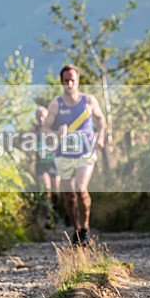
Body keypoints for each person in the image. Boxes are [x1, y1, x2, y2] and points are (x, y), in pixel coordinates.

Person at [43, 65, 106, 246]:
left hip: (85, 152)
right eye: (66, 81)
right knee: (69, 195)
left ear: (78, 81)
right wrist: (56, 134)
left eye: (73, 80)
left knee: (80, 187)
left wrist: (100, 137)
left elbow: (101, 120)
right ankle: (76, 230)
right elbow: (45, 129)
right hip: (63, 154)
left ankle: (85, 228)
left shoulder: (89, 101)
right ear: (61, 82)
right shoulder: (56, 104)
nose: (70, 84)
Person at [30, 106, 60, 229]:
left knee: (56, 190)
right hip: (41, 164)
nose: (41, 117)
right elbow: (29, 144)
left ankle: (57, 212)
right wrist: (29, 154)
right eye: (38, 115)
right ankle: (48, 218)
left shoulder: (53, 128)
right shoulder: (34, 130)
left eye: (43, 115)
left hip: (54, 163)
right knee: (46, 188)